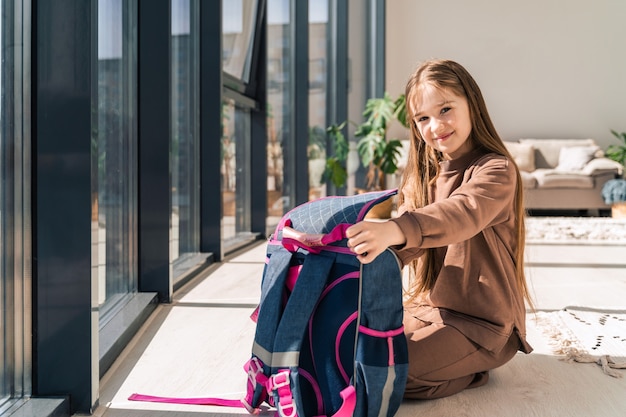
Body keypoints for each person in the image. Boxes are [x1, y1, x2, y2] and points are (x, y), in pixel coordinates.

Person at [345, 59, 534, 400]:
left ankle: (475, 370)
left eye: (446, 109)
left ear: (472, 105)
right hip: (430, 310)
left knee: (394, 374)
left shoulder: (496, 169)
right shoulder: (423, 179)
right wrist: (352, 252)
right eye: (423, 118)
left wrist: (395, 228)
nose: (436, 125)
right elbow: (406, 248)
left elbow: (459, 214)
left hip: (485, 326)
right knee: (356, 356)